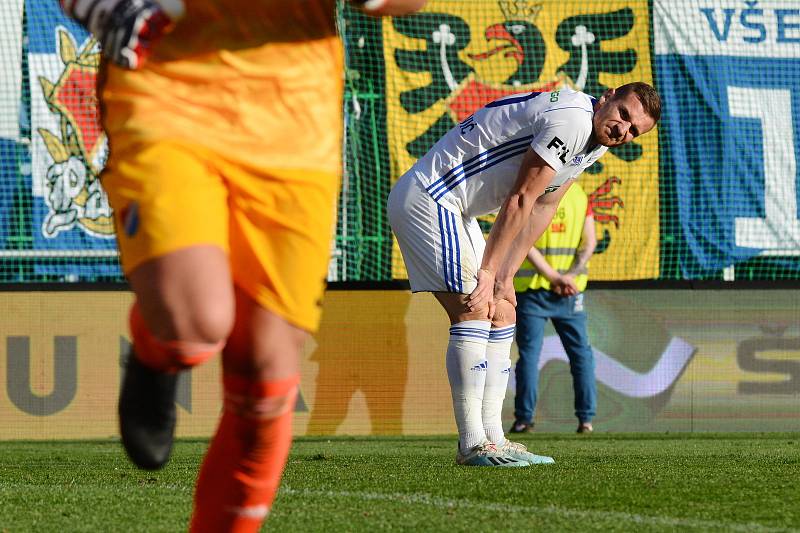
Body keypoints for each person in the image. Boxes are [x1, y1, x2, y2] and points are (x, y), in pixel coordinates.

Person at [59, 0, 427, 531]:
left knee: (267, 367)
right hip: (167, 88)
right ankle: (160, 349)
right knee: (195, 322)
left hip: (293, 115)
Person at [387, 83, 660, 467]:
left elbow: (545, 205)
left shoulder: (593, 142)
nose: (623, 130)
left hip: (458, 209)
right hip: (431, 197)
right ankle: (472, 445)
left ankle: (495, 440)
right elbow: (520, 199)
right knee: (474, 308)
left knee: (503, 312)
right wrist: (487, 272)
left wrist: (506, 275)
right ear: (609, 96)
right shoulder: (573, 120)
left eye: (634, 132)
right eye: (625, 115)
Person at [510, 182, 597, 435]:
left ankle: (524, 420)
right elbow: (589, 244)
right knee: (582, 356)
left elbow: (523, 241)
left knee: (528, 356)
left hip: (534, 290)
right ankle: (586, 421)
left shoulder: (533, 192)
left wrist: (553, 277)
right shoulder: (580, 195)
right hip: (570, 290)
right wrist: (568, 276)